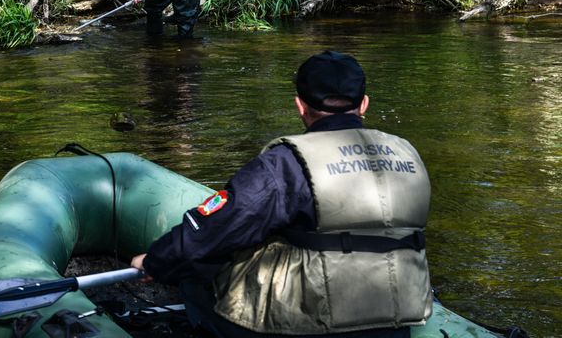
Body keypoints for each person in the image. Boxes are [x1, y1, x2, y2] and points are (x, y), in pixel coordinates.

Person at [131, 51, 433, 338]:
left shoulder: (287, 162)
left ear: (300, 106)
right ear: (364, 104)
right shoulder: (407, 152)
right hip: (398, 316)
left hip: (314, 327)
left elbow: (219, 227)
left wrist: (157, 260)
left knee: (196, 275)